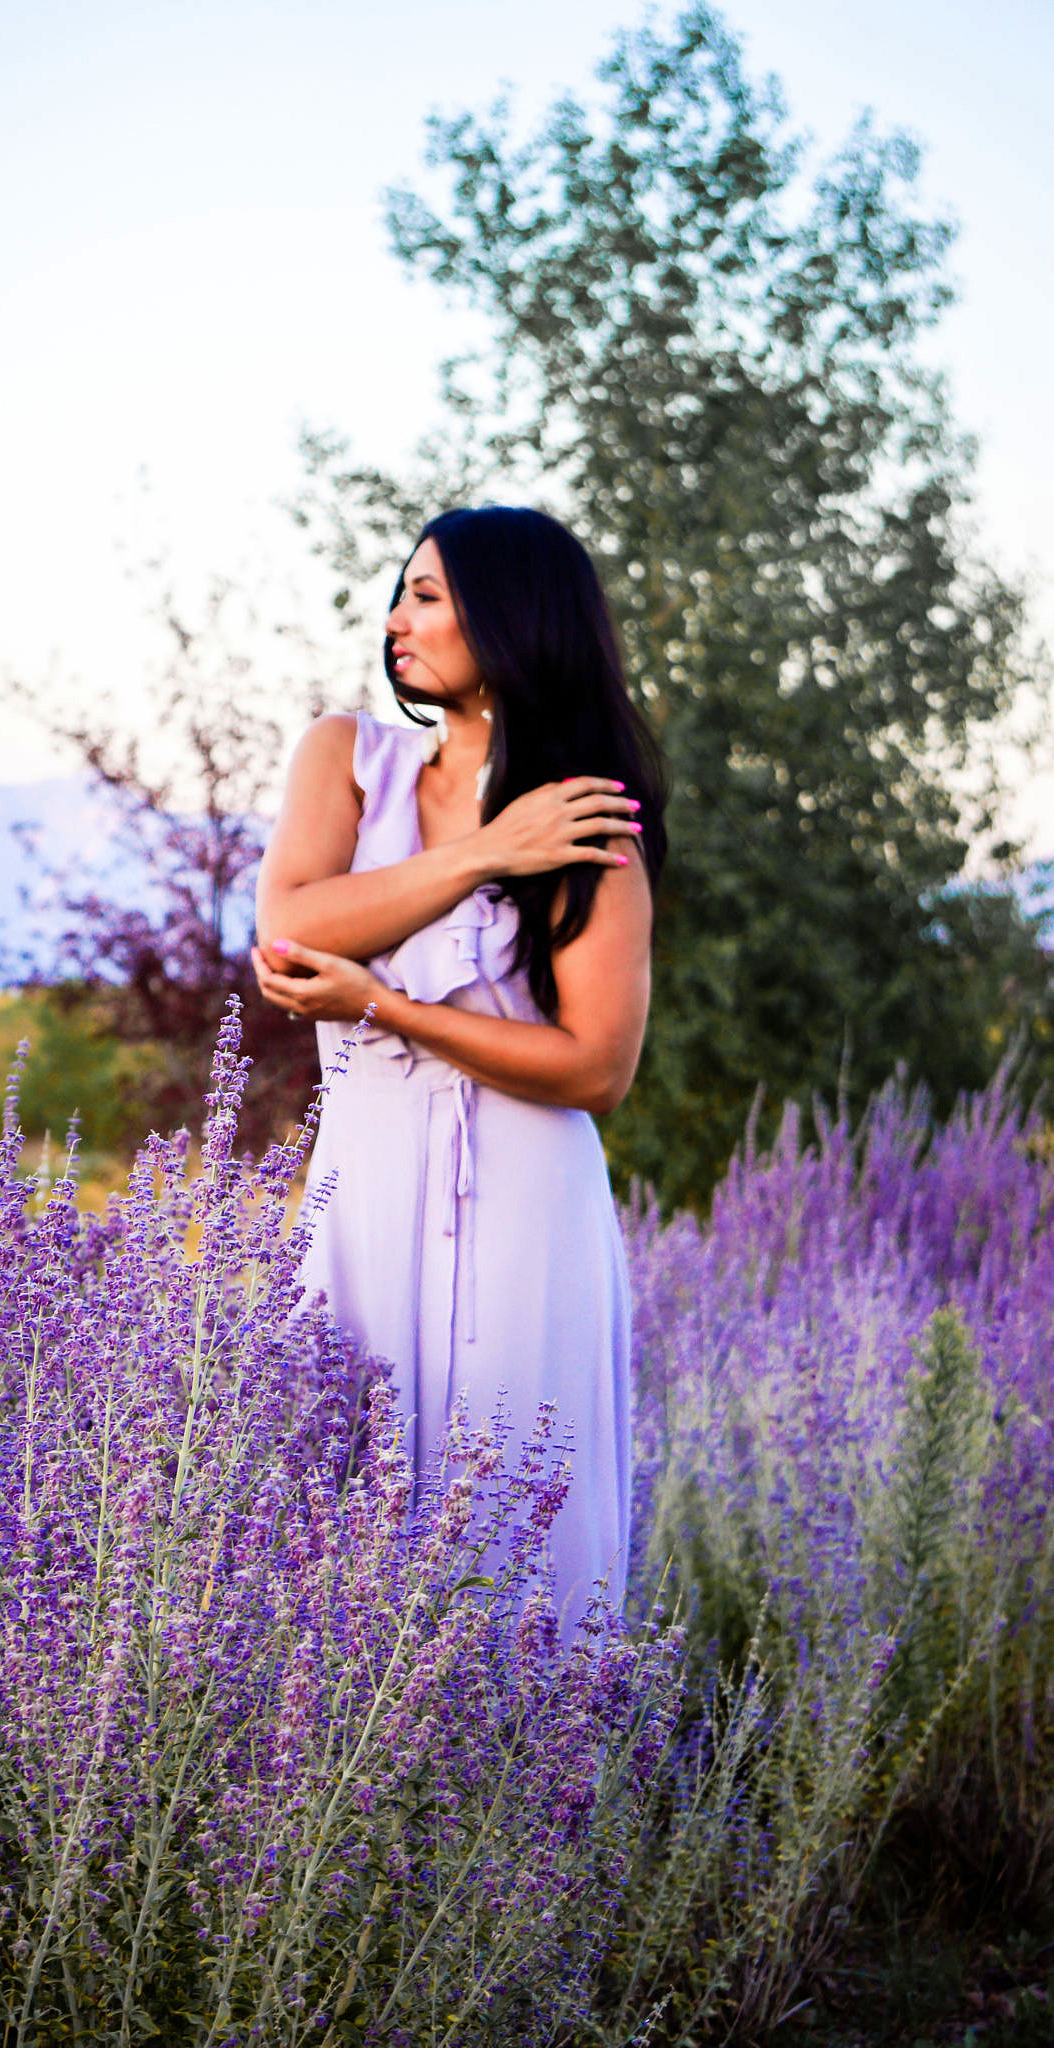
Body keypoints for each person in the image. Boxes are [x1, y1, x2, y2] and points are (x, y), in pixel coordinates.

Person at [251, 505, 666, 1634]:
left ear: (514, 614)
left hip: (528, 1203)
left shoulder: (587, 819)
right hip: (363, 1187)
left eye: (428, 596)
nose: (398, 619)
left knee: (515, 1510)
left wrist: (383, 1002)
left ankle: (525, 1790)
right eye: (401, 592)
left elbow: (595, 1067)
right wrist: (487, 850)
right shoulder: (347, 757)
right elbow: (290, 925)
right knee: (333, 1500)